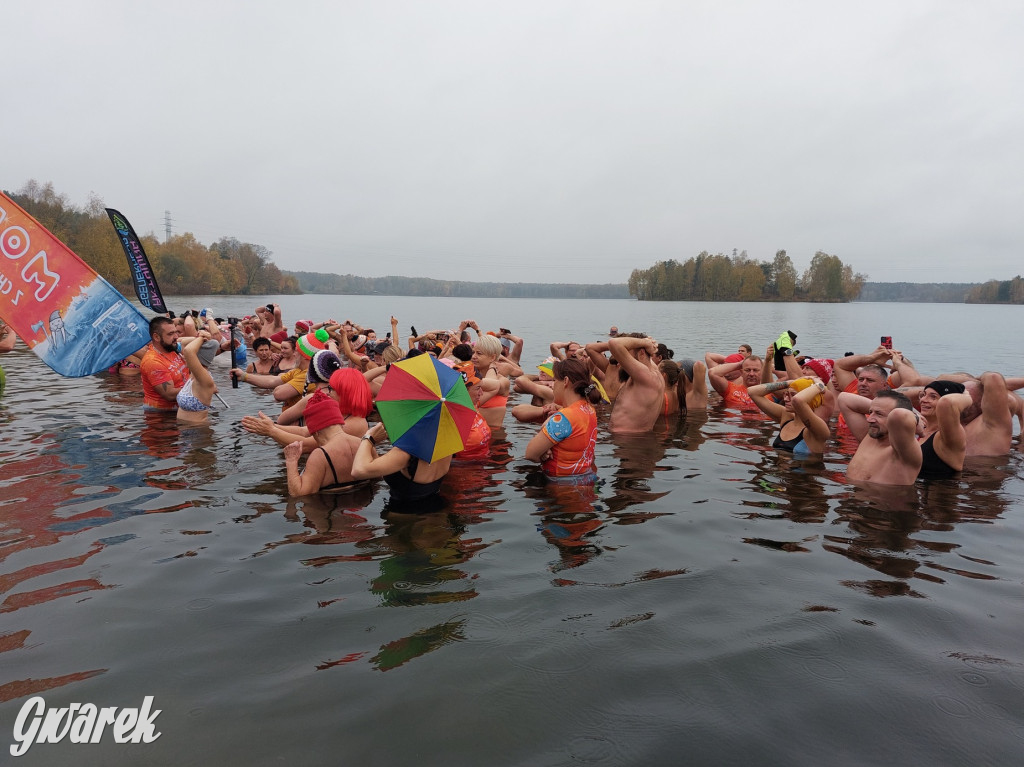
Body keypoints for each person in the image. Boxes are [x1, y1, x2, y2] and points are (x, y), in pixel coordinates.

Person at [524, 359, 600, 478]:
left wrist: (543, 452)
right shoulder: (589, 409)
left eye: (555, 380)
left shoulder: (564, 418)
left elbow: (530, 454)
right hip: (583, 478)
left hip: (560, 485)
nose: (553, 385)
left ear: (565, 381)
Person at [282, 389, 367, 496]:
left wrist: (291, 461)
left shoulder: (320, 455)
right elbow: (377, 477)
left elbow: (298, 494)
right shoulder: (365, 444)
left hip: (326, 509)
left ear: (315, 432)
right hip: (362, 502)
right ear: (340, 422)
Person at [352, 422, 452, 504]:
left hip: (406, 519)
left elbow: (359, 471)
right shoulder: (447, 444)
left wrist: (369, 438)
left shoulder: (407, 451)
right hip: (436, 510)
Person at [844, 390, 922, 485]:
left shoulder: (903, 451)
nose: (869, 419)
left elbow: (899, 415)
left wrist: (916, 418)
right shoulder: (870, 436)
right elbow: (844, 399)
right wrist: (879, 407)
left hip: (883, 499)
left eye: (879, 414)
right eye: (870, 412)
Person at [746, 375, 831, 457]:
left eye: (793, 395)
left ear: (810, 399)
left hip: (806, 471)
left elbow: (798, 400)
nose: (786, 399)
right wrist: (789, 383)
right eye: (786, 394)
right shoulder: (786, 417)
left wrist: (819, 386)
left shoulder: (818, 430)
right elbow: (752, 392)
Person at [608, 334, 665, 433]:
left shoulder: (647, 377)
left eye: (627, 354)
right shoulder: (651, 371)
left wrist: (645, 343)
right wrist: (648, 344)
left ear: (641, 353)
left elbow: (614, 343)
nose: (622, 359)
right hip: (630, 439)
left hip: (629, 442)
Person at [915, 380, 972, 478]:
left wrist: (967, 397)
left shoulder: (947, 437)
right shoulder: (917, 428)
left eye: (933, 397)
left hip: (940, 491)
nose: (923, 400)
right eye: (923, 394)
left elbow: (947, 403)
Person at [140, 316, 190, 412]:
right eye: (171, 334)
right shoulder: (152, 362)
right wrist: (201, 387)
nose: (176, 337)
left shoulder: (171, 349)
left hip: (182, 407)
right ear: (156, 337)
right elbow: (169, 394)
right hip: (162, 416)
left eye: (176, 332)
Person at [176, 333, 221, 424]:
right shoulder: (192, 374)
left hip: (198, 432)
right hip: (184, 431)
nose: (185, 358)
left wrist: (201, 338)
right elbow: (183, 342)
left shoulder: (204, 379)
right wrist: (201, 336)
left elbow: (188, 351)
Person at [472, 334, 511, 429]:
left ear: (493, 358)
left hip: (494, 436)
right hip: (473, 434)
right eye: (473, 352)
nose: (473, 356)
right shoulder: (472, 377)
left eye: (479, 353)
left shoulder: (503, 382)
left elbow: (492, 385)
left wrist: (492, 368)